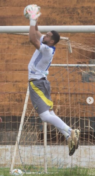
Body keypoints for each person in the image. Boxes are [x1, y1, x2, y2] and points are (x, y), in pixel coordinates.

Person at [26, 5, 79, 156]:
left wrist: (31, 21)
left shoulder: (46, 49)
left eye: (48, 35)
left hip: (37, 83)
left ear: (52, 41)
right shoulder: (47, 44)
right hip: (42, 82)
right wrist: (35, 18)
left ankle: (70, 130)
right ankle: (69, 136)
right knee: (50, 112)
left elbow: (31, 37)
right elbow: (36, 32)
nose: (44, 36)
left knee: (44, 116)